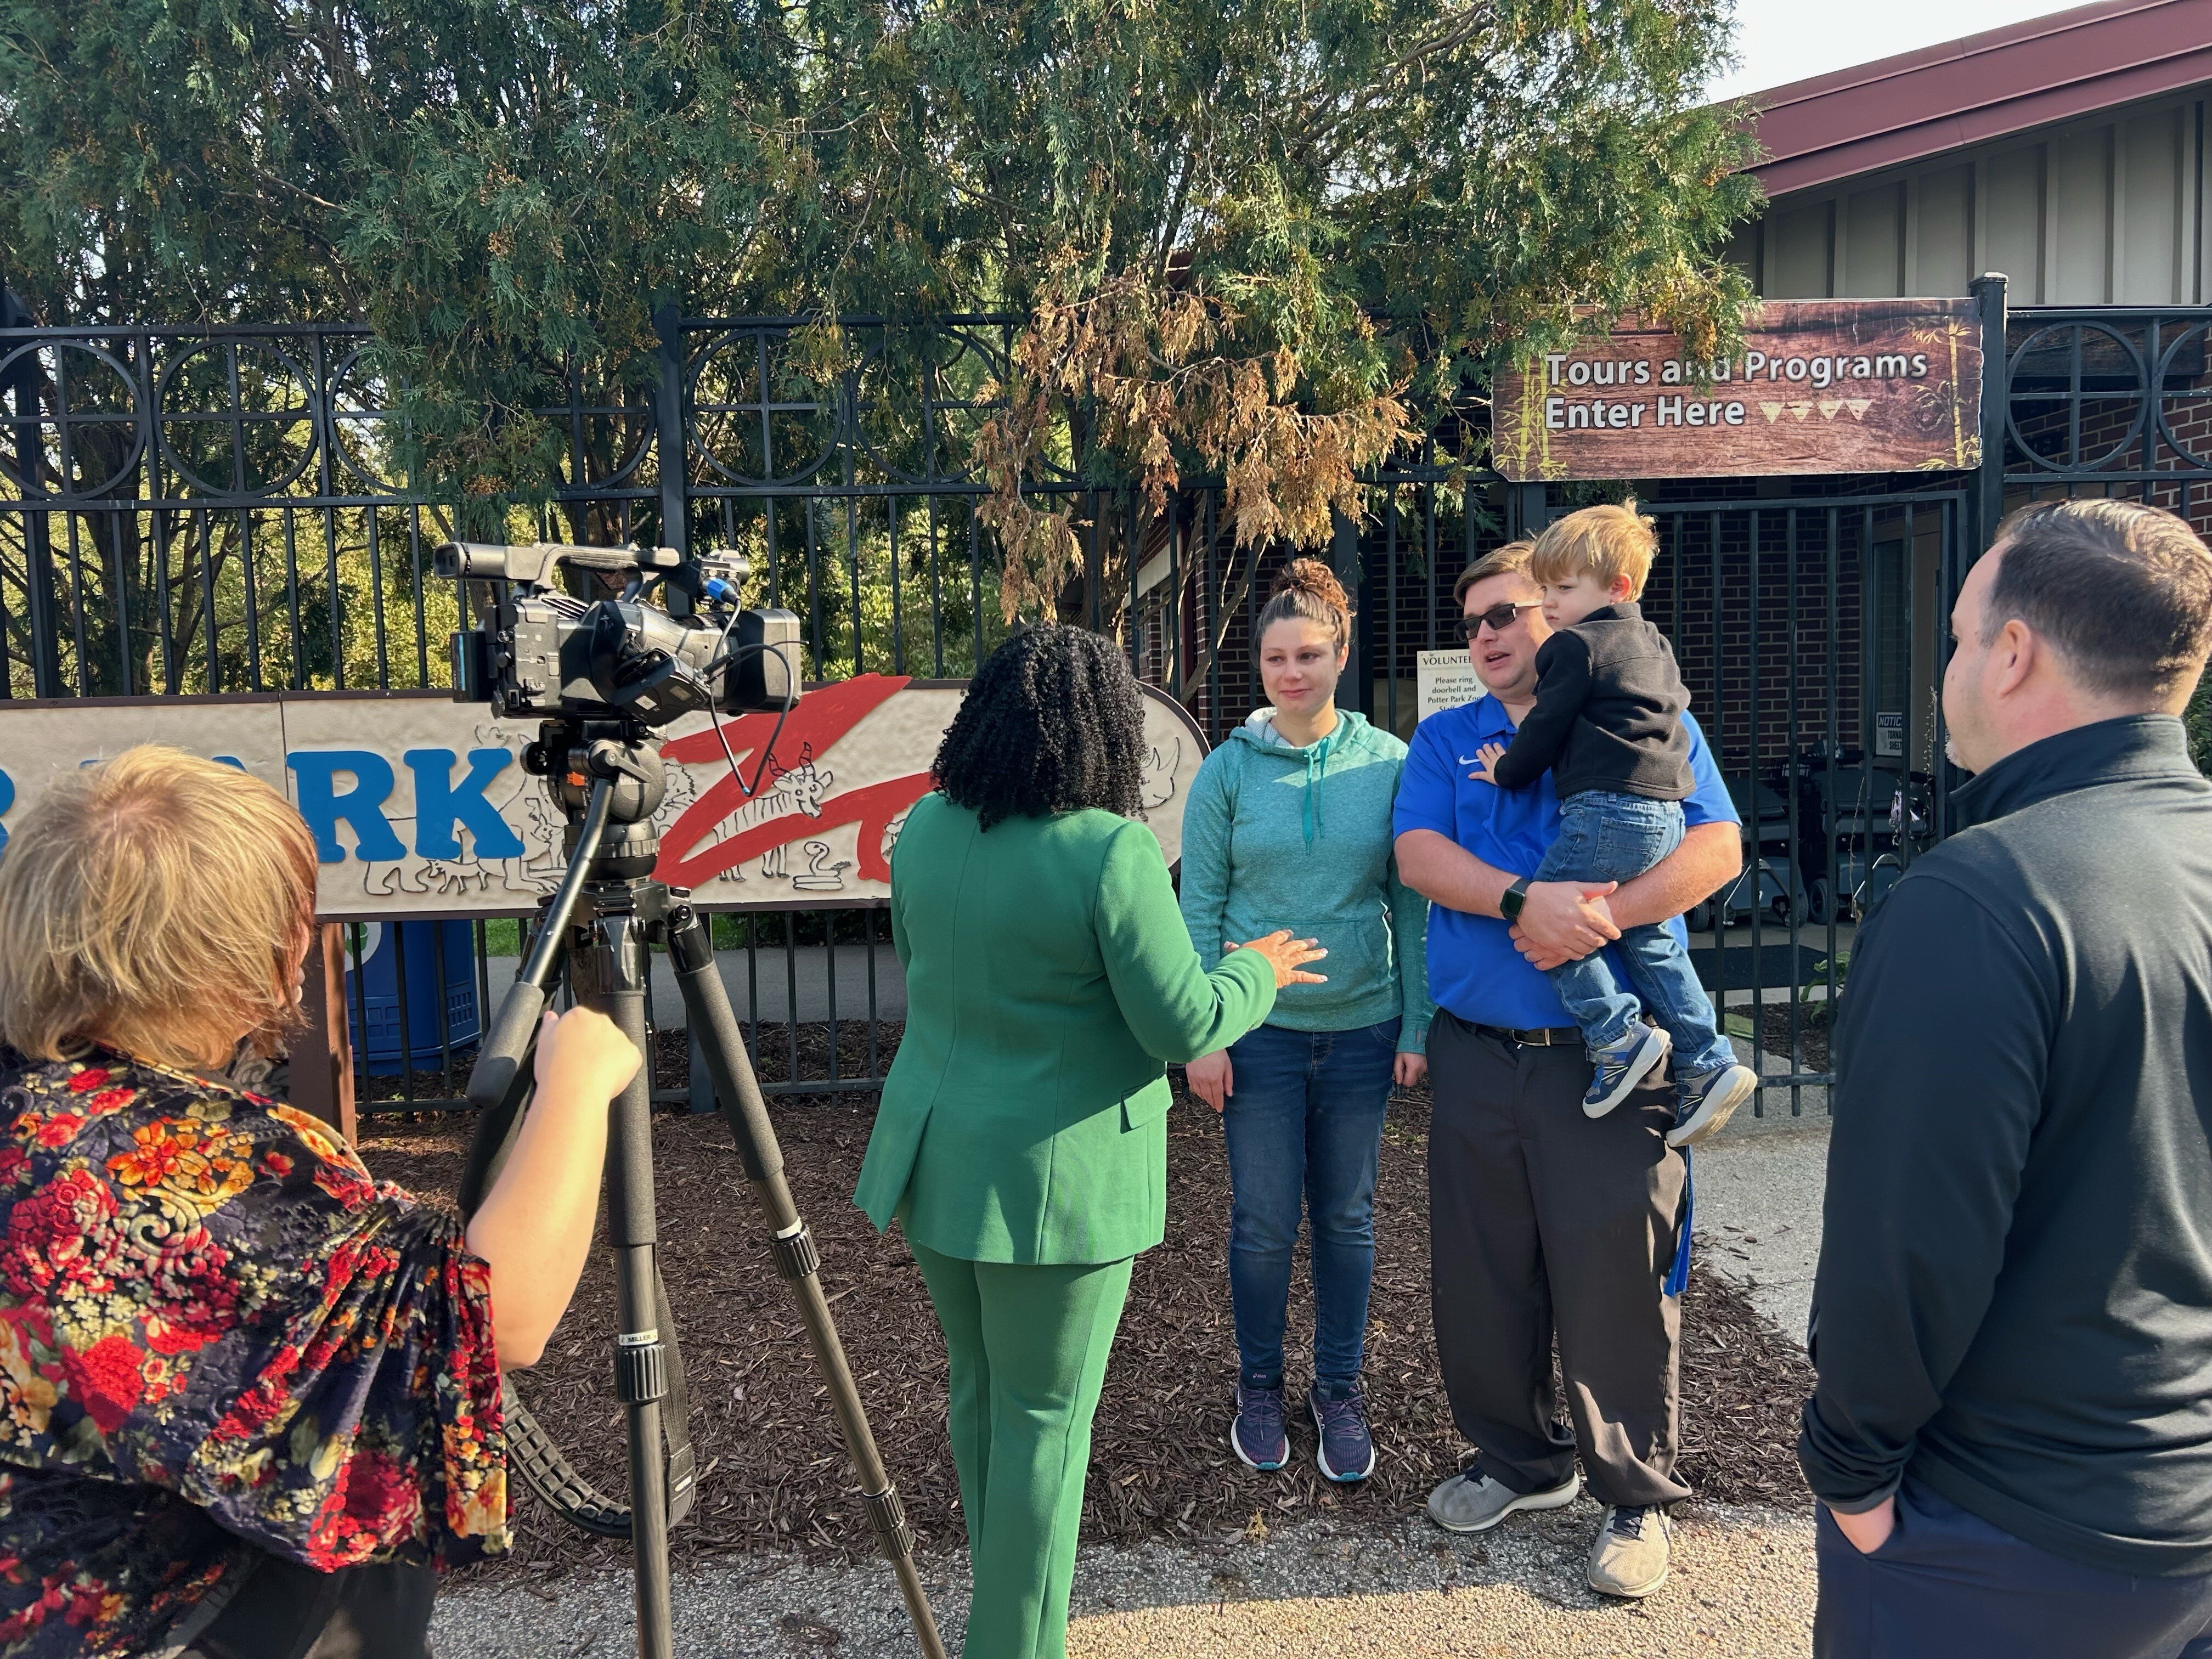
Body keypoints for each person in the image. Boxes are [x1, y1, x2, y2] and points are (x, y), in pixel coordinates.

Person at [0, 746, 639, 1659]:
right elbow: (500, 1315)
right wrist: (575, 1082)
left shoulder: (30, 1104)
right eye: (291, 917)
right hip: (182, 1614)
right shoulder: (192, 1159)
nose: (304, 936)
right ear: (228, 960)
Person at [852, 625, 1323, 1659]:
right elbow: (1183, 1024)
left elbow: (936, 972)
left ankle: (1018, 1616)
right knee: (1042, 1427)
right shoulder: (1108, 850)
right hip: (1055, 1187)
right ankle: (1012, 1643)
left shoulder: (923, 829)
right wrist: (1261, 970)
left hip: (939, 1161)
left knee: (982, 1396)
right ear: (1102, 729)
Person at [1799, 498, 2212, 1658]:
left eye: (1962, 636)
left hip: (2002, 1536)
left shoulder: (1980, 899)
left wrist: (1852, 1473)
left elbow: (1905, 1245)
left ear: (2015, 651)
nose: (1954, 665)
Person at [1392, 540, 1743, 1600]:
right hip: (1476, 1054)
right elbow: (1417, 856)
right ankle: (1518, 1458)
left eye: (1511, 610)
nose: (1492, 633)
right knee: (1482, 1275)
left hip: (1610, 1059)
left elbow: (1714, 848)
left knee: (1617, 1281)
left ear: (1559, 613)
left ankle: (1633, 1494)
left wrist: (1592, 917)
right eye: (1476, 622)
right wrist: (1518, 900)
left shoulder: (1642, 708)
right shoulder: (1445, 738)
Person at [1177, 558, 1431, 1483]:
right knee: (1260, 1219)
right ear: (1261, 664)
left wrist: (1416, 1021)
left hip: (1364, 1027)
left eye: (1310, 654)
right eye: (1277, 656)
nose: (1293, 671)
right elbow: (1198, 906)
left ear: (1340, 653)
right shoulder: (1225, 772)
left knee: (1349, 1216)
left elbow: (1412, 902)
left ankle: (1338, 1388)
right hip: (1259, 1033)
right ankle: (1256, 1385)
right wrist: (1203, 1029)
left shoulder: (1390, 763)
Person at [1472, 505, 1754, 1145]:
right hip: (1663, 815)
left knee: (1543, 915)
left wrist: (1507, 771)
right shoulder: (1653, 643)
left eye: (1562, 590)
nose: (1547, 605)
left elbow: (1545, 725)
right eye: (1543, 591)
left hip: (1605, 811)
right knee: (1649, 936)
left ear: (1618, 587)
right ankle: (1708, 1057)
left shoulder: (1574, 646)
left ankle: (1617, 1034)